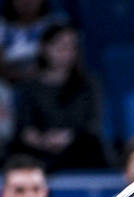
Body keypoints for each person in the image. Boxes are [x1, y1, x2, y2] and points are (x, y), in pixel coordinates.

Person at [12, 23, 106, 172]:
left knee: (93, 147)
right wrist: (39, 139)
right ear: (44, 48)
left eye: (71, 47)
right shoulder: (28, 86)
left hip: (76, 146)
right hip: (38, 148)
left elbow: (91, 123)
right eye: (60, 46)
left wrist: (68, 137)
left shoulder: (88, 85)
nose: (66, 52)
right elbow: (24, 126)